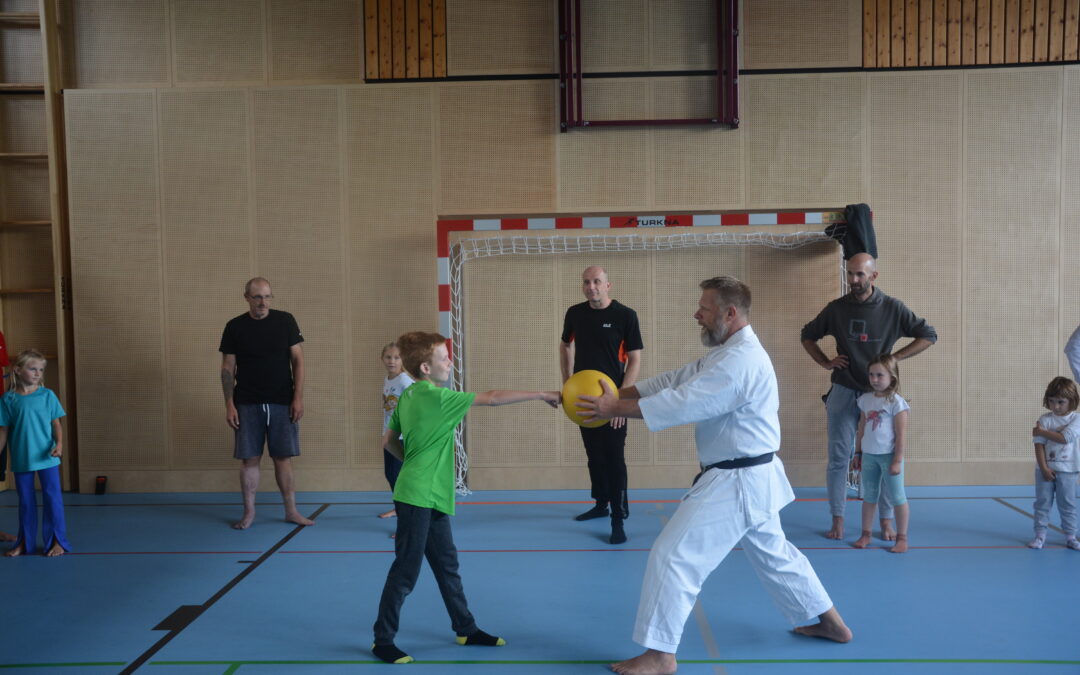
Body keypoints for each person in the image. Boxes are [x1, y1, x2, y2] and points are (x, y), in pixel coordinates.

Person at [578, 276, 852, 675]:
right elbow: (676, 380)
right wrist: (622, 394)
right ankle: (830, 623)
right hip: (751, 476)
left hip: (737, 480)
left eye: (704, 308)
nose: (697, 314)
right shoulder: (729, 352)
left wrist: (613, 409)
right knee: (776, 555)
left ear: (730, 312)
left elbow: (686, 402)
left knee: (673, 556)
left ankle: (660, 655)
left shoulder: (740, 361)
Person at [372, 331, 560, 664]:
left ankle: (466, 628)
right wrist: (541, 393)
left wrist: (415, 461)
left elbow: (388, 441)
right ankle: (382, 641)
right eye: (445, 357)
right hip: (417, 498)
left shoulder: (409, 394)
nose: (450, 361)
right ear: (426, 368)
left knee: (447, 566)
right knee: (406, 571)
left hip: (429, 495)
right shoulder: (437, 398)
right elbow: (493, 397)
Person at [801, 252, 936, 541]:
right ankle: (837, 519)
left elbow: (928, 335)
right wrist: (826, 362)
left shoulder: (892, 308)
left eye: (860, 274)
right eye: (850, 274)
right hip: (843, 391)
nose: (854, 280)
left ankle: (885, 522)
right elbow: (807, 335)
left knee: (883, 457)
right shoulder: (836, 309)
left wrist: (894, 359)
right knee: (840, 457)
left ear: (873, 276)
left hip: (879, 398)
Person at [219, 277, 314, 530]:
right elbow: (228, 368)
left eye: (267, 297)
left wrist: (298, 397)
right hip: (247, 402)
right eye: (258, 297)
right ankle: (249, 513)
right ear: (247, 297)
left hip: (282, 401)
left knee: (283, 458)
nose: (263, 302)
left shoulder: (285, 321)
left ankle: (291, 511)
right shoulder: (234, 327)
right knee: (249, 459)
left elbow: (299, 361)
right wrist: (229, 403)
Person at [560, 265, 643, 544]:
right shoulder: (575, 313)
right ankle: (601, 504)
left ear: (608, 285)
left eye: (597, 281)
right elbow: (565, 345)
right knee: (594, 454)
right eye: (586, 282)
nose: (591, 286)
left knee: (614, 458)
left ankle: (618, 518)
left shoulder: (625, 316)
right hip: (583, 400)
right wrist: (566, 382)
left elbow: (635, 358)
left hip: (614, 401)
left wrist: (622, 398)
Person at [0, 350, 70, 557]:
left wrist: (60, 445)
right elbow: (3, 431)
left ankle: (57, 541)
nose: (38, 373)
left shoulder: (47, 395)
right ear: (18, 370)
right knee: (25, 502)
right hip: (22, 459)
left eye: (41, 369)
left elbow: (56, 424)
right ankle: (24, 543)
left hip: (47, 457)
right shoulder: (8, 399)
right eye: (33, 369)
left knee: (52, 499)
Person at [850, 354, 910, 553]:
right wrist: (857, 454)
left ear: (892, 377)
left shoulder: (896, 403)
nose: (874, 379)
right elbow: (861, 428)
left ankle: (901, 538)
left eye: (880, 375)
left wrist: (897, 461)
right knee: (870, 496)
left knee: (897, 497)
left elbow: (901, 436)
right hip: (869, 457)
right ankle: (866, 534)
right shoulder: (865, 400)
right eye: (871, 375)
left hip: (889, 457)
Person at [1028, 376, 1080, 551]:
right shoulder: (1045, 420)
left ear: (1072, 401)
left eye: (1060, 402)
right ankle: (1040, 535)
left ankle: (1071, 536)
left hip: (1068, 470)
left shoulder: (1076, 419)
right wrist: (1043, 468)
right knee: (1043, 502)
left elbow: (1065, 438)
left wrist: (1042, 432)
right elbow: (1039, 445)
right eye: (1051, 401)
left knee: (1068, 503)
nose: (1055, 406)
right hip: (1046, 469)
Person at [378, 341, 414, 519]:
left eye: (397, 357)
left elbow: (414, 405)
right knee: (390, 474)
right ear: (382, 359)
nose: (392, 361)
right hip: (390, 435)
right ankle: (399, 508)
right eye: (388, 357)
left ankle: (406, 515)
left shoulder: (405, 380)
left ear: (403, 360)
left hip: (402, 436)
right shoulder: (388, 379)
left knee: (398, 476)